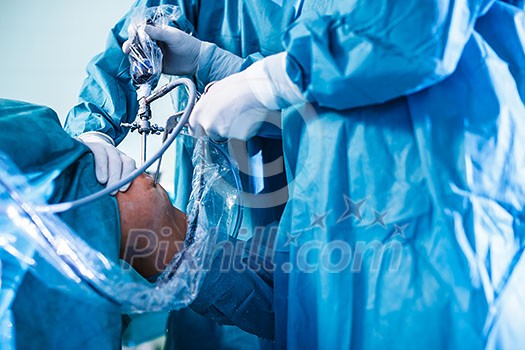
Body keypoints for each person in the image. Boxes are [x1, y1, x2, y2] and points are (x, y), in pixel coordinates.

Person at [65, 0, 525, 349]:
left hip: (435, 222)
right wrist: (93, 131)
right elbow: (298, 281)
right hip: (313, 247)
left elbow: (409, 28)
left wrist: (270, 79)